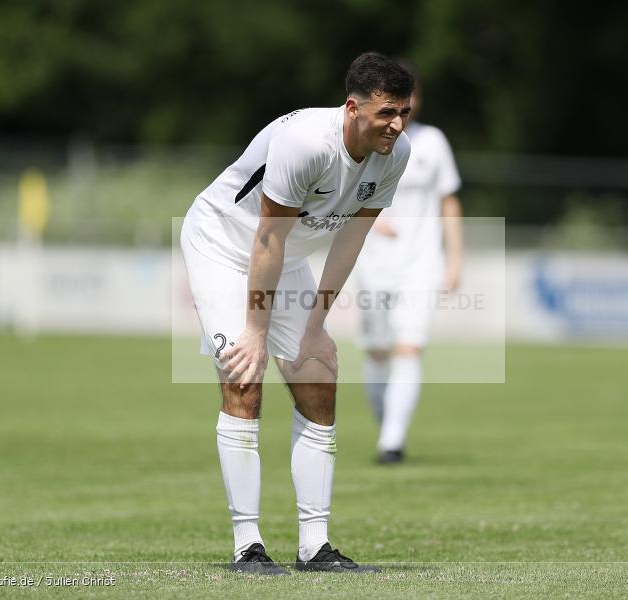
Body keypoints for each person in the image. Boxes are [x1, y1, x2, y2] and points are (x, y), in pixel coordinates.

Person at [180, 52, 413, 574]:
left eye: (404, 113)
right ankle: (248, 547)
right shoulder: (307, 143)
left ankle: (315, 547)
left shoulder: (395, 154)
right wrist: (257, 332)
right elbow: (266, 237)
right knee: (244, 375)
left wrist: (316, 329)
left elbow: (351, 241)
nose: (397, 125)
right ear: (353, 108)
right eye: (386, 113)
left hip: (282, 258)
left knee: (319, 378)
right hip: (223, 244)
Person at [355, 68, 463, 464]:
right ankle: (388, 427)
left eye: (409, 98)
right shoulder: (365, 139)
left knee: (409, 347)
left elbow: (448, 201)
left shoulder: (433, 143)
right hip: (372, 263)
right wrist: (365, 218)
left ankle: (392, 443)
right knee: (378, 353)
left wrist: (454, 258)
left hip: (420, 263)